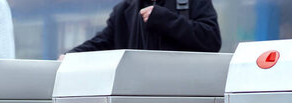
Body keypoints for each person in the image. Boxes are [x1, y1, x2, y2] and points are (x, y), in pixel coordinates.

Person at [61, 0, 221, 56]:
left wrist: (164, 19)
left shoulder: (192, 2)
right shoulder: (124, 11)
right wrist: (72, 57)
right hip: (136, 99)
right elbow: (102, 43)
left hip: (182, 97)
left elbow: (211, 39)